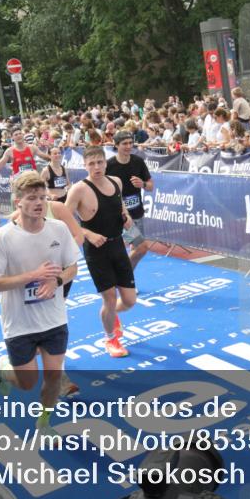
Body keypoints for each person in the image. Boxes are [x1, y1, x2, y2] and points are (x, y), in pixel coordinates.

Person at [0, 171, 80, 436]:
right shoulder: (2, 238)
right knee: (27, 383)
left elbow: (73, 267)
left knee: (52, 378)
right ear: (18, 202)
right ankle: (5, 371)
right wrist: (33, 276)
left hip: (54, 319)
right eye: (32, 198)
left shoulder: (58, 229)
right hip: (19, 324)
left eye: (42, 197)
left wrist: (57, 281)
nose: (39, 203)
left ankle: (44, 423)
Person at [65, 147, 136, 358]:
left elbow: (121, 207)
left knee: (130, 300)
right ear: (85, 166)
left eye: (100, 162)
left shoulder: (116, 182)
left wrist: (128, 221)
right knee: (109, 299)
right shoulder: (79, 189)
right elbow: (64, 220)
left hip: (118, 245)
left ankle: (112, 316)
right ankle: (110, 338)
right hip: (96, 251)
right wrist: (88, 233)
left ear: (105, 163)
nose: (96, 167)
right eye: (91, 164)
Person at [106, 131, 153, 269]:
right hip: (121, 218)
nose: (128, 146)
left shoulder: (138, 162)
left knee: (137, 249)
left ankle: (127, 280)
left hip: (137, 214)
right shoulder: (109, 165)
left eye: (130, 143)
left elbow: (150, 186)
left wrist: (143, 184)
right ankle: (123, 275)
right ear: (116, 145)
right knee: (140, 247)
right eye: (124, 143)